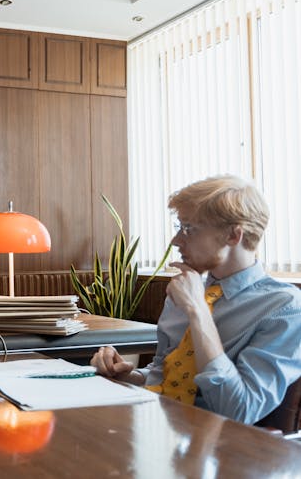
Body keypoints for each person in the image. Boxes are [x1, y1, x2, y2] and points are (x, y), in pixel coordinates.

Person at [91, 175, 301, 424]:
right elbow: (166, 376)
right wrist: (129, 376)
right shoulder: (187, 290)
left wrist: (198, 311)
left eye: (188, 229)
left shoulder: (284, 308)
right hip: (159, 429)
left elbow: (239, 409)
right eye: (178, 228)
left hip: (226, 451)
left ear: (234, 236)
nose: (175, 241)